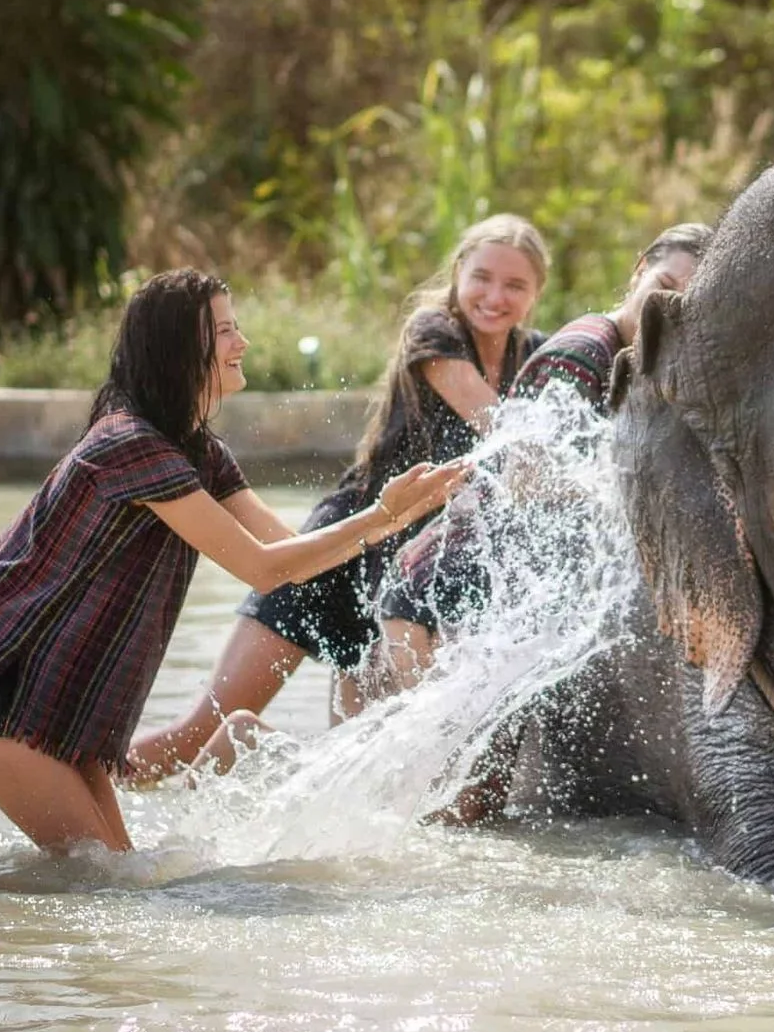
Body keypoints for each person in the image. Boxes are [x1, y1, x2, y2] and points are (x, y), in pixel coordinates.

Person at [0, 268, 463, 853]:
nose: (241, 343)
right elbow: (264, 569)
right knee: (97, 877)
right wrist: (380, 515)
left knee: (111, 871)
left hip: (45, 685)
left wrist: (396, 524)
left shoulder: (201, 452)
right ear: (179, 348)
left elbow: (292, 560)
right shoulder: (131, 444)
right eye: (224, 331)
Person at [124, 215, 550, 781]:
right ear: (457, 275)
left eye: (515, 285)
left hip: (414, 574)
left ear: (537, 292)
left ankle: (223, 781)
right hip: (340, 548)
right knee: (201, 727)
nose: (495, 296)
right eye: (483, 277)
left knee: (356, 760)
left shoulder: (535, 357)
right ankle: (91, 801)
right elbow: (492, 422)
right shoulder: (434, 331)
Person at [378, 223, 714, 671]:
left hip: (481, 577)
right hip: (439, 591)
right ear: (639, 272)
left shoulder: (637, 360)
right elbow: (524, 476)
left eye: (685, 305)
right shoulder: (581, 353)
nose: (667, 310)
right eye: (664, 287)